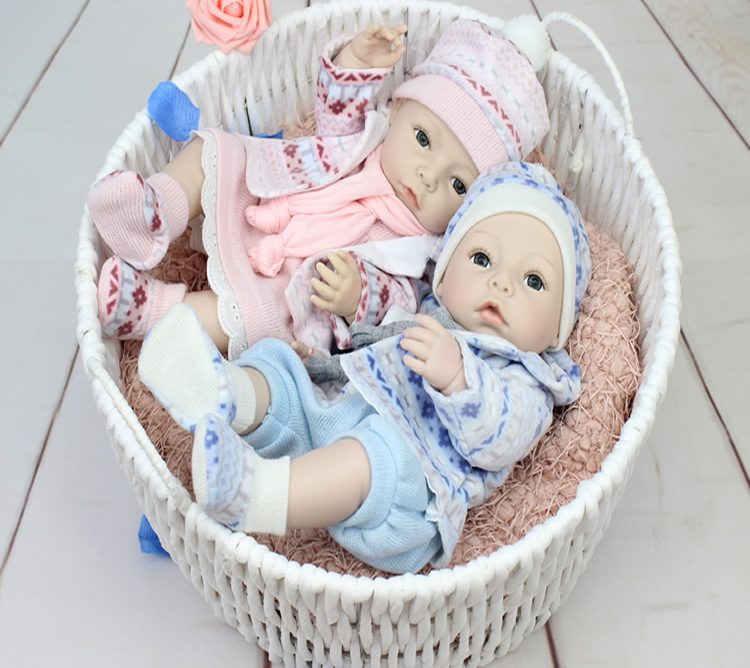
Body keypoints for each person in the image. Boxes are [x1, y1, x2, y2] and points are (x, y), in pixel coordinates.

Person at [137, 161, 592, 574]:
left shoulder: (529, 378)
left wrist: (458, 379)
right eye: (482, 259)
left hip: (407, 493)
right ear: (444, 270)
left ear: (557, 329)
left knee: (377, 454)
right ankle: (224, 393)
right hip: (337, 413)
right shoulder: (426, 309)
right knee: (282, 367)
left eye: (534, 281)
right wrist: (346, 319)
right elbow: (378, 327)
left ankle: (258, 495)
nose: (501, 283)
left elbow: (501, 436)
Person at [88, 17, 551, 359]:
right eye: (423, 140)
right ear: (396, 111)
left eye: (458, 183)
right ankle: (156, 209)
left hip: (289, 286)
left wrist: (358, 294)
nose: (428, 176)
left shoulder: (421, 253)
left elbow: (403, 304)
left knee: (250, 321)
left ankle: (153, 310)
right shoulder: (364, 140)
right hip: (265, 201)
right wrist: (356, 63)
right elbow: (334, 112)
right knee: (218, 153)